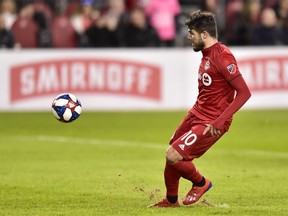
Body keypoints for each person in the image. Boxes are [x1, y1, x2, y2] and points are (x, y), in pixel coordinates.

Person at [149, 10, 251, 208]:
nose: (189, 37)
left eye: (192, 33)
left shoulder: (223, 56)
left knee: (173, 155)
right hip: (197, 113)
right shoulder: (207, 55)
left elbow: (245, 93)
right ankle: (171, 200)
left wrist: (221, 120)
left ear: (204, 35)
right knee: (172, 149)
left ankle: (201, 183)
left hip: (211, 121)